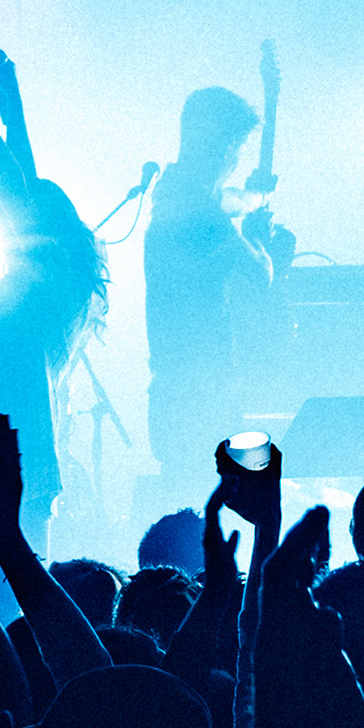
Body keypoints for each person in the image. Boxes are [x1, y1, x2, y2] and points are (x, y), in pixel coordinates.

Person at [0, 49, 107, 543]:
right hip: (12, 413)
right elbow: (24, 178)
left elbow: (13, 180)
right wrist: (6, 88)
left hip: (10, 417)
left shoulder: (49, 275)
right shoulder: (62, 269)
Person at [144, 81, 289, 487]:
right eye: (237, 148)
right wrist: (260, 239)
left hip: (177, 389)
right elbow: (261, 273)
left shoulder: (175, 192)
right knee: (221, 502)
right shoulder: (197, 211)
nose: (237, 158)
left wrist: (255, 198)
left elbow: (230, 199)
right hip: (201, 392)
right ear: (223, 147)